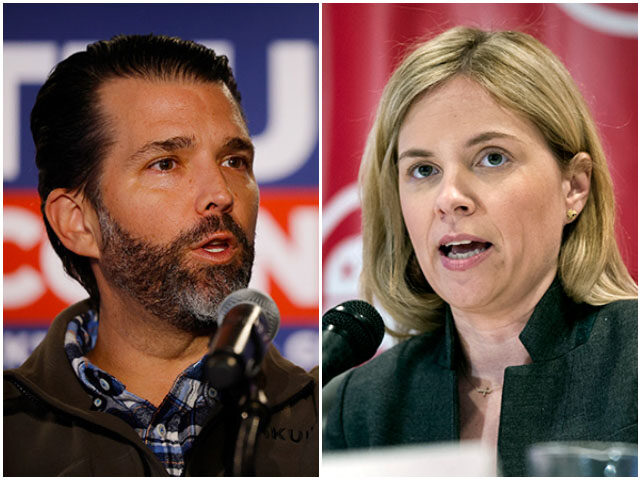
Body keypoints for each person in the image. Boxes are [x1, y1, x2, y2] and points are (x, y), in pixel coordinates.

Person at [323, 26, 637, 476]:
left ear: (574, 187)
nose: (449, 197)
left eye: (492, 158)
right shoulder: (361, 405)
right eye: (424, 169)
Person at [4, 34, 318, 477]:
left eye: (234, 161)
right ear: (78, 222)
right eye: (166, 163)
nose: (220, 195)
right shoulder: (10, 436)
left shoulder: (330, 419)